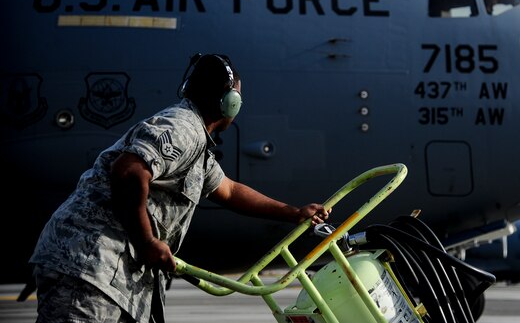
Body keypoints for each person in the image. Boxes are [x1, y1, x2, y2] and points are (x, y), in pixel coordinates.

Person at [29, 53, 330, 323]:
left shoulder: (197, 145)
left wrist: (294, 213)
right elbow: (129, 170)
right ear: (229, 103)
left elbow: (229, 190)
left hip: (107, 274)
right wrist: (147, 241)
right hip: (91, 267)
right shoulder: (183, 128)